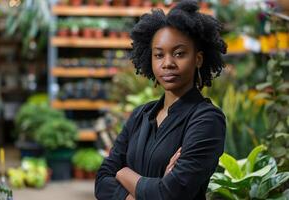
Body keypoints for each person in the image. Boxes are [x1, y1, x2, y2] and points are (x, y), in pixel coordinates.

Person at [95, 0, 227, 199]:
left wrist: (124, 173)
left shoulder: (207, 120)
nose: (168, 63)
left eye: (179, 54)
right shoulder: (140, 115)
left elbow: (169, 194)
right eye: (159, 55)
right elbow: (102, 181)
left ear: (198, 59)